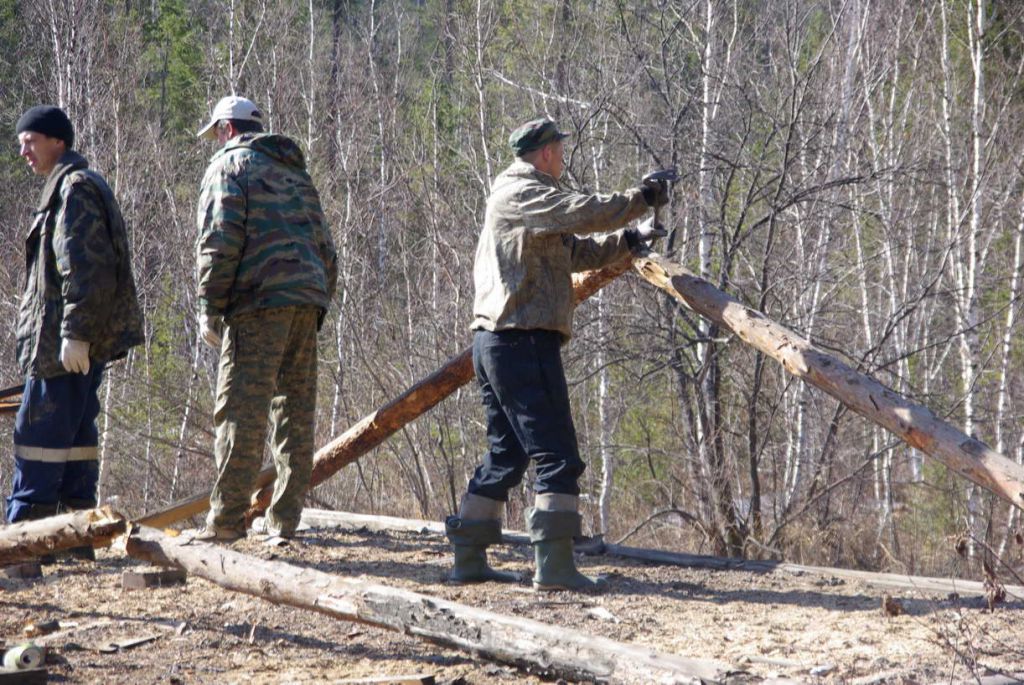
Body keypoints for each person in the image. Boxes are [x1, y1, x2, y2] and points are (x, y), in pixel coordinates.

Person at [445, 117, 670, 591]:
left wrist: (630, 240)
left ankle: (469, 559)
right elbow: (581, 212)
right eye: (560, 150)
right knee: (558, 455)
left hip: (500, 341)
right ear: (546, 152)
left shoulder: (527, 201)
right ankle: (555, 567)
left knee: (506, 455)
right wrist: (641, 198)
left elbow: (574, 254)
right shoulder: (523, 193)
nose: (563, 158)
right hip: (521, 339)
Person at [194, 96, 337, 543]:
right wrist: (316, 298)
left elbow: (219, 240)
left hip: (258, 301)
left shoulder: (229, 166)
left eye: (217, 133)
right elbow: (326, 248)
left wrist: (210, 307)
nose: (217, 141)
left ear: (227, 128)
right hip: (306, 300)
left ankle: (225, 522)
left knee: (241, 412)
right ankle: (284, 521)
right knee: (295, 411)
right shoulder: (296, 173)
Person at [8, 105, 145, 562]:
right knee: (74, 445)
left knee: (38, 442)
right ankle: (74, 544)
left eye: (31, 140)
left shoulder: (74, 190)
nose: (24, 151)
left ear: (58, 141)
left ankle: (24, 551)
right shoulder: (71, 186)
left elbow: (87, 269)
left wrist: (76, 334)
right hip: (65, 347)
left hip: (60, 350)